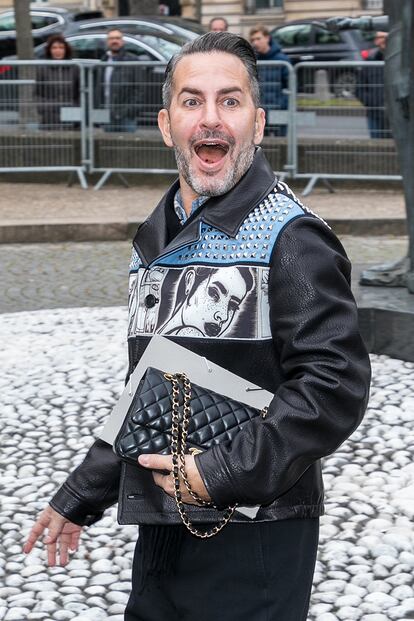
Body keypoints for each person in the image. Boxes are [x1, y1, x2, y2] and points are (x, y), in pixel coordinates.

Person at [24, 33, 371, 621]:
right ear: (166, 124)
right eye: (192, 101)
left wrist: (218, 473)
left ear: (258, 124)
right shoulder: (157, 235)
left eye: (230, 102)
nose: (211, 119)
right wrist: (82, 494)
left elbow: (334, 387)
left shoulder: (292, 235)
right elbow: (153, 394)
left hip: (256, 535)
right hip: (167, 524)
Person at [96, 28, 142, 132]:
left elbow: (140, 88)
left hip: (126, 115)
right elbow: (99, 89)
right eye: (111, 38)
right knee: (108, 146)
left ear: (122, 41)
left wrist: (131, 109)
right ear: (107, 42)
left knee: (128, 146)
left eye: (117, 38)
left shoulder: (133, 60)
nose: (114, 41)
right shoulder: (103, 61)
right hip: (107, 113)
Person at [249, 24, 291, 136]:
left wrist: (283, 102)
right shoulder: (252, 60)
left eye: (258, 39)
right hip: (260, 109)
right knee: (262, 144)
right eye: (253, 40)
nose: (255, 43)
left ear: (267, 38)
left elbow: (291, 85)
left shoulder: (282, 59)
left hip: (279, 108)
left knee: (281, 143)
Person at [35, 34, 79, 130]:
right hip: (49, 117)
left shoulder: (75, 68)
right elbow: (37, 94)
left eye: (61, 48)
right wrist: (45, 109)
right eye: (54, 48)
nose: (57, 51)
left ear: (66, 50)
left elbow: (80, 93)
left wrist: (75, 107)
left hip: (71, 115)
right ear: (49, 50)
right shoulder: (42, 69)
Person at [355, 31, 390, 139]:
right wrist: (372, 102)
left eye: (384, 37)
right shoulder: (370, 62)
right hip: (375, 113)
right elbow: (359, 89)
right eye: (379, 38)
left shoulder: (402, 60)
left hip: (399, 115)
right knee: (377, 148)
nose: (382, 41)